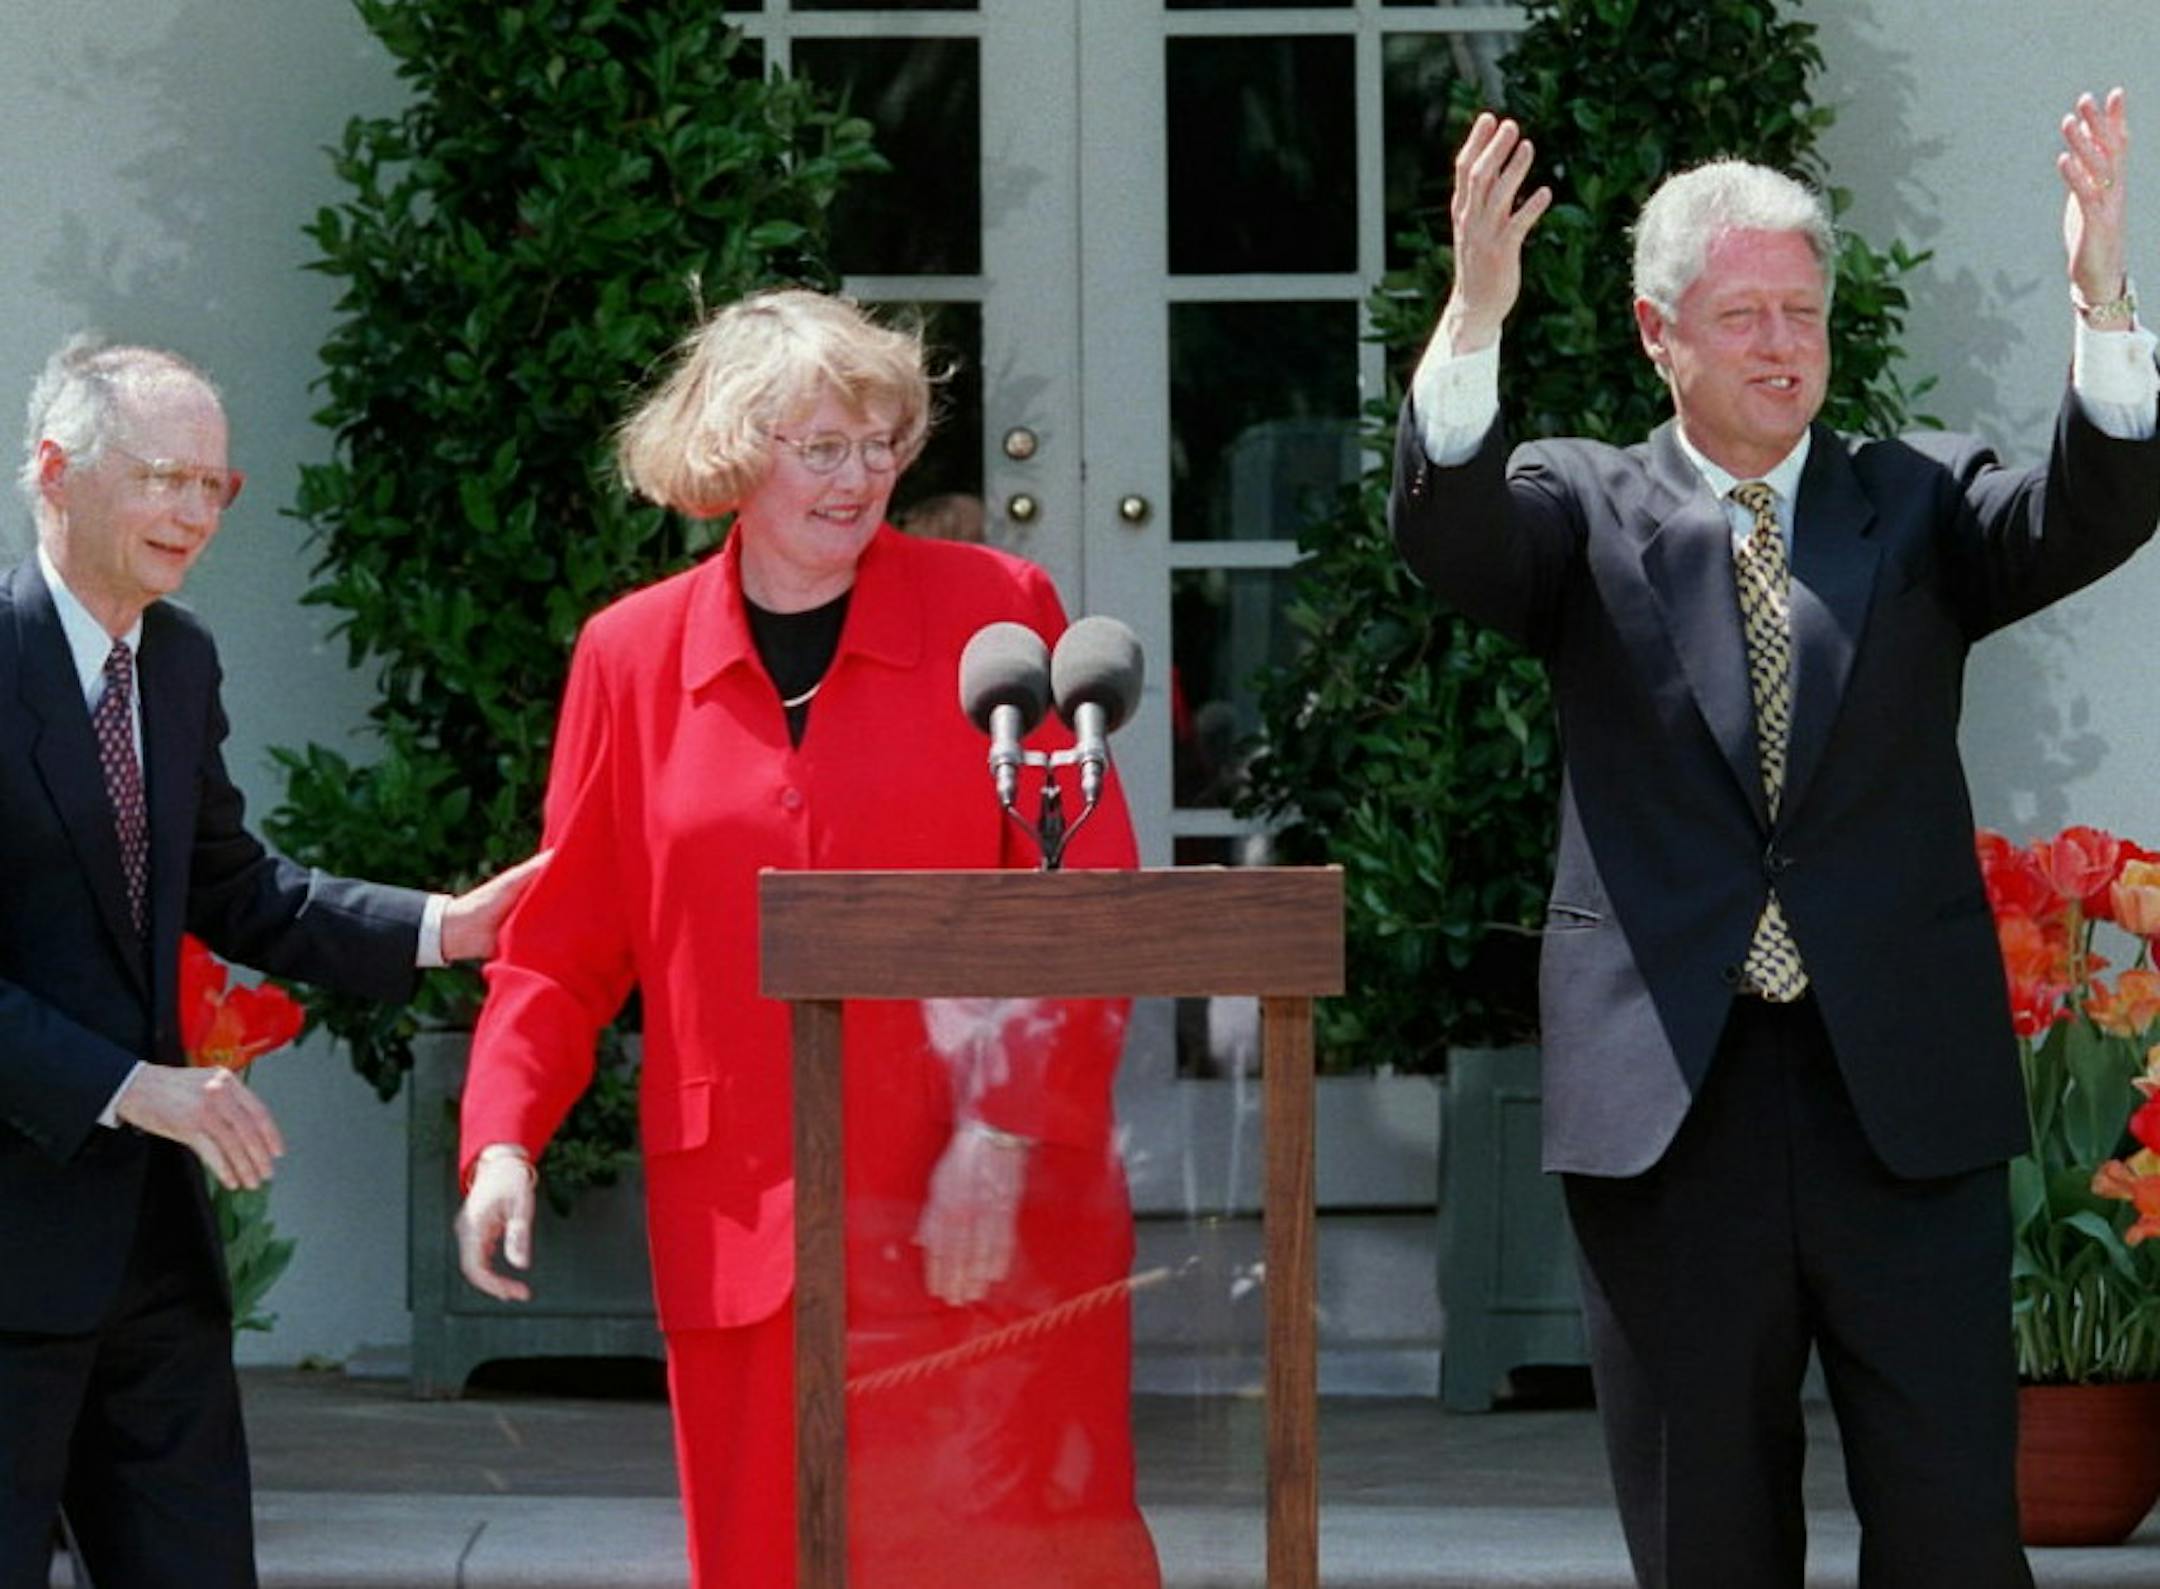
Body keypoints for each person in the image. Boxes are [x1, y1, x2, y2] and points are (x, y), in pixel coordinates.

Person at [1393, 92, 2159, 1586]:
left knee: (1951, 1533)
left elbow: (2090, 511)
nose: (1779, 342)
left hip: (1901, 1104)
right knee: (1707, 1540)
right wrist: (1473, 319)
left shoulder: (1917, 497)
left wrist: (2102, 296)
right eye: (1738, 313)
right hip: (1674, 1105)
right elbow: (1454, 536)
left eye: (1800, 310)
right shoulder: (1580, 502)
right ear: (1655, 332)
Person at [453, 288, 1161, 1588]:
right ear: (732, 455)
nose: (862, 475)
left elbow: (1081, 907)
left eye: (881, 442)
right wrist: (503, 1137)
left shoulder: (997, 614)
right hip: (744, 1224)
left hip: (971, 1206)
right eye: (820, 447)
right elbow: (561, 944)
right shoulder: (629, 654)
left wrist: (1001, 1135)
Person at [0, 337, 544, 1589]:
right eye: (165, 478)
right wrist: (128, 1083)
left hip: (152, 1262)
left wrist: (441, 926)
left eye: (217, 487)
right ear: (55, 470)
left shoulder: (177, 661)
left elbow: (233, 883)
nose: (195, 512)